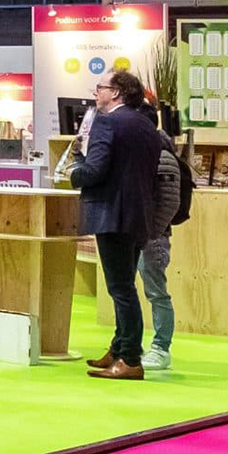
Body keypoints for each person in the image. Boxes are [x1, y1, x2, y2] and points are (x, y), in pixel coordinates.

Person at [70, 68, 162, 380]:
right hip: (138, 214)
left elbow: (95, 170)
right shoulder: (146, 124)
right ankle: (120, 347)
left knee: (121, 289)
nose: (96, 93)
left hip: (112, 214)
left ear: (117, 93)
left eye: (101, 87)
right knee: (124, 285)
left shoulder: (107, 122)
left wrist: (74, 170)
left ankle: (130, 358)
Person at [140, 121, 183, 373]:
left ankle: (161, 347)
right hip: (140, 234)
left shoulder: (162, 157)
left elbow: (169, 201)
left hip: (152, 236)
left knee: (156, 292)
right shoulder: (150, 152)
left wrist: (152, 232)